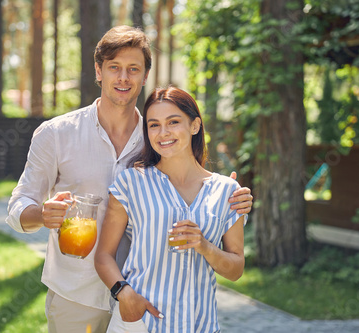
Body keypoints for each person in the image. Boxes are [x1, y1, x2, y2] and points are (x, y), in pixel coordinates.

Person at [6, 26, 252, 333]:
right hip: (78, 294)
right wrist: (42, 215)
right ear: (99, 71)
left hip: (147, 300)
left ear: (145, 75)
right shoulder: (56, 135)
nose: (123, 78)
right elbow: (19, 205)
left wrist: (230, 195)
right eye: (114, 68)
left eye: (133, 69)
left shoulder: (156, 134)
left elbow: (189, 181)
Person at [95, 86, 247, 333]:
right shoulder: (131, 182)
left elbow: (236, 269)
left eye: (173, 122)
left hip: (201, 325)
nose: (163, 133)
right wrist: (124, 294)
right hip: (140, 323)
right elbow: (103, 256)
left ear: (195, 126)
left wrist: (205, 246)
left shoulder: (227, 190)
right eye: (154, 125)